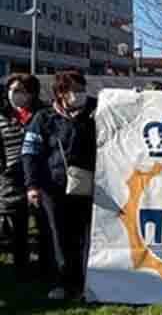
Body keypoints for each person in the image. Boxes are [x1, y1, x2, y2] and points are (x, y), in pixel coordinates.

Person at [22, 69, 98, 301]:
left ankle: (87, 282)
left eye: (82, 89)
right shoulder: (43, 118)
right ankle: (62, 283)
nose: (79, 95)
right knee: (59, 236)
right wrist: (32, 185)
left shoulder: (95, 112)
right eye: (74, 90)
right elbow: (30, 153)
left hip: (89, 185)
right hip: (53, 188)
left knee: (88, 235)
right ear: (61, 93)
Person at [0, 74, 43, 294]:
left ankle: (45, 268)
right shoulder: (3, 117)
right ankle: (20, 269)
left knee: (43, 225)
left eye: (21, 90)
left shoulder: (42, 115)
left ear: (31, 93)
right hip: (11, 179)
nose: (15, 94)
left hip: (39, 177)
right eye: (12, 89)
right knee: (16, 226)